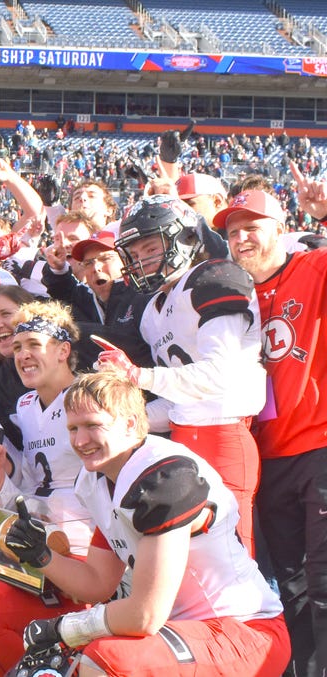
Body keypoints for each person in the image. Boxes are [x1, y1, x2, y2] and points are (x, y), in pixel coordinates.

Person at [12, 372, 289, 677]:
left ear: (131, 423)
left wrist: (67, 627)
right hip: (186, 631)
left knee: (107, 660)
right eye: (73, 428)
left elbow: (145, 615)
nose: (80, 440)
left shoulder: (164, 476)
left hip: (243, 629)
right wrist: (42, 556)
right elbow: (97, 582)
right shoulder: (96, 480)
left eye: (93, 425)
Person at [101, 193, 264, 553]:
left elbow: (218, 377)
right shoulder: (152, 310)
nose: (142, 260)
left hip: (224, 436)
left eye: (150, 247)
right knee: (194, 559)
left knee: (232, 556)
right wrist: (122, 421)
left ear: (186, 238)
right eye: (136, 253)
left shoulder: (214, 277)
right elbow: (178, 403)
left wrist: (138, 376)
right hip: (183, 438)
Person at [220, 181, 327, 677]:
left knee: (323, 580)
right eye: (233, 231)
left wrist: (324, 214)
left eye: (252, 228)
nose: (241, 238)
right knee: (287, 584)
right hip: (267, 460)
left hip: (321, 447)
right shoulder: (231, 295)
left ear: (282, 231)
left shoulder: (314, 267)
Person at [0, 301, 92, 675]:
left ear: (63, 350)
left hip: (86, 556)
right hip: (43, 539)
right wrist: (0, 476)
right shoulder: (27, 405)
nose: (23, 355)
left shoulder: (92, 398)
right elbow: (33, 487)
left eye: (34, 344)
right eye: (17, 347)